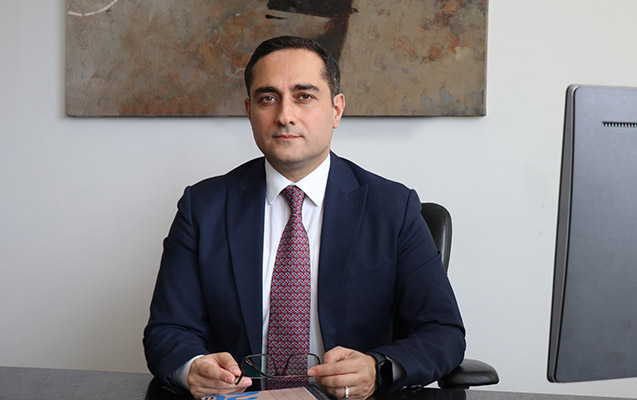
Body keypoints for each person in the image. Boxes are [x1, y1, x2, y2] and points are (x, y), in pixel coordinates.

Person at [143, 36, 465, 400]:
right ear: (250, 111)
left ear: (336, 109)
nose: (285, 116)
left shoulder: (392, 207)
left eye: (304, 96)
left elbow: (442, 333)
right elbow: (167, 329)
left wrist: (378, 369)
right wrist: (192, 367)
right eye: (268, 98)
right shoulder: (203, 207)